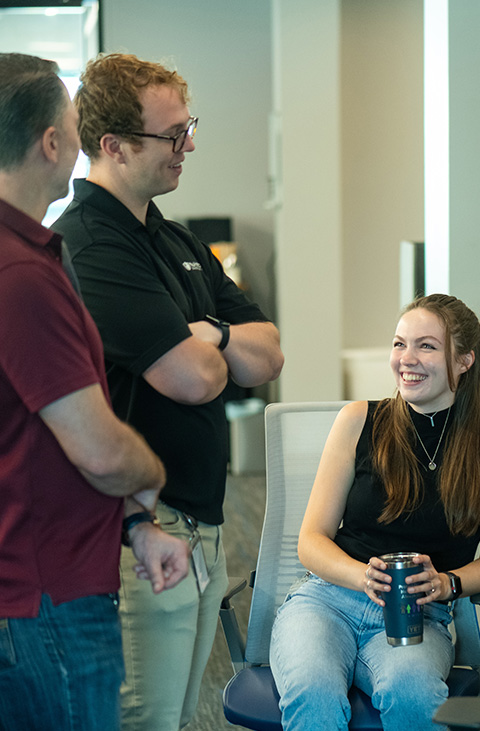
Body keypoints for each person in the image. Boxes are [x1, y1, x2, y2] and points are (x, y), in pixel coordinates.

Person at [52, 52, 284, 731]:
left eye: (189, 126)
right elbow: (194, 379)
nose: (190, 145)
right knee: (145, 719)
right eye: (172, 134)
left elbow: (267, 352)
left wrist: (205, 331)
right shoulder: (91, 246)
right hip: (144, 531)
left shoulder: (175, 236)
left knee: (179, 716)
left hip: (202, 522)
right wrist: (217, 347)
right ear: (114, 146)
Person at [0, 52, 189, 731]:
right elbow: (100, 450)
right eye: (74, 125)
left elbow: (34, 432)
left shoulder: (32, 255)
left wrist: (136, 524)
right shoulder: (20, 271)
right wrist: (153, 475)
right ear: (52, 142)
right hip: (46, 600)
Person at [270, 293, 480, 731]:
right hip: (329, 600)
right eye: (400, 343)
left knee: (414, 695)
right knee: (313, 691)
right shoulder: (359, 420)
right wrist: (360, 575)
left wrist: (447, 582)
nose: (407, 359)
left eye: (427, 345)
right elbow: (311, 541)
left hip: (420, 614)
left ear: (464, 360)